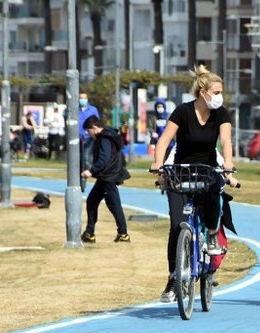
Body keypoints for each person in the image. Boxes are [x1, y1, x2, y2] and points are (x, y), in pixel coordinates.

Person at [151, 65, 238, 303]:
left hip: (207, 170)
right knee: (177, 225)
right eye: (217, 92)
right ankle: (173, 277)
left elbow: (226, 142)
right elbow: (163, 141)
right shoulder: (182, 112)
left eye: (221, 92)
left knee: (213, 190)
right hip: (180, 172)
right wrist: (159, 166)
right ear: (203, 92)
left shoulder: (221, 114)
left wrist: (228, 164)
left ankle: (211, 234)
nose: (220, 97)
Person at [80, 116, 131, 243]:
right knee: (92, 201)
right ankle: (89, 233)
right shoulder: (109, 135)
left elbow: (104, 159)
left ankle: (123, 234)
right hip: (106, 176)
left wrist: (91, 171)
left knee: (114, 205)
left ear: (94, 128)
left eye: (88, 131)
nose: (88, 134)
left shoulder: (104, 139)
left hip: (108, 176)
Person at [78, 92, 100, 169]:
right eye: (81, 98)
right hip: (78, 137)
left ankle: (87, 171)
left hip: (89, 137)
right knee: (79, 157)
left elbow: (96, 122)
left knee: (86, 155)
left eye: (84, 98)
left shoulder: (93, 110)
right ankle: (80, 173)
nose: (82, 100)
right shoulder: (75, 110)